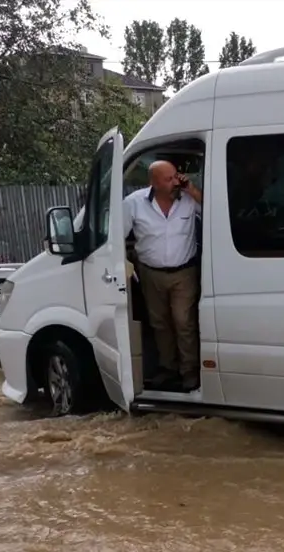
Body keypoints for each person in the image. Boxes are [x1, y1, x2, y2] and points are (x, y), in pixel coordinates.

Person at [123, 159, 203, 392]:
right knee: (160, 323)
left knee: (183, 322)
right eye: (168, 179)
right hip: (151, 273)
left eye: (175, 175)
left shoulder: (188, 199)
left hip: (184, 273)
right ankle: (168, 369)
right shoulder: (134, 203)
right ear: (153, 183)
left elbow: (214, 211)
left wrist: (192, 190)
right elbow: (116, 235)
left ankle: (189, 371)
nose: (174, 181)